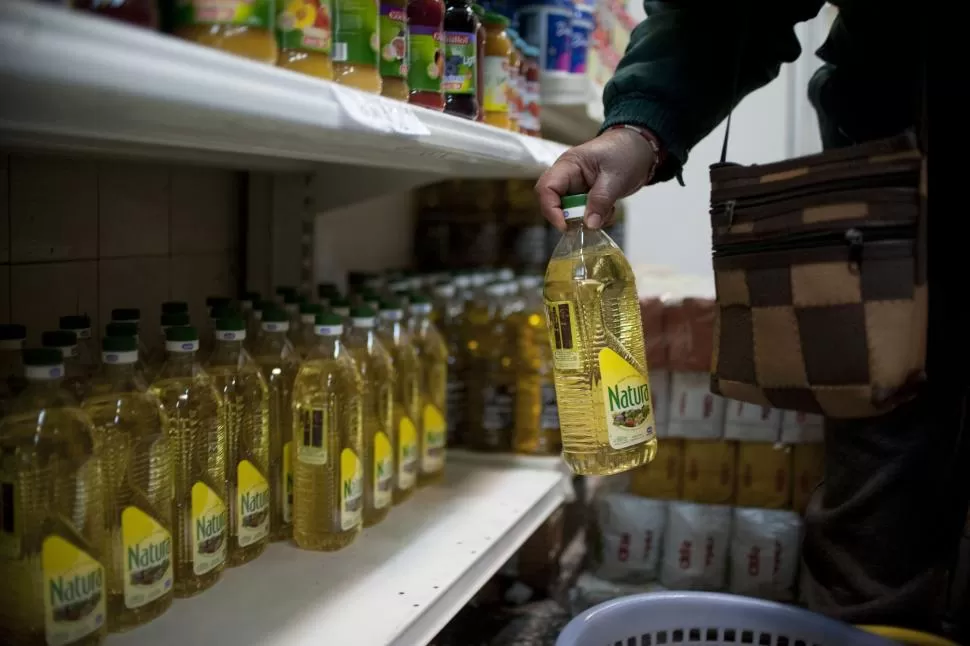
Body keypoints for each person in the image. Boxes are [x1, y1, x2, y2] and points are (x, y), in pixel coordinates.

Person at [535, 1, 965, 633]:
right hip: (885, 191)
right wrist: (640, 128)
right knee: (882, 519)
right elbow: (721, 12)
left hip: (883, 180)